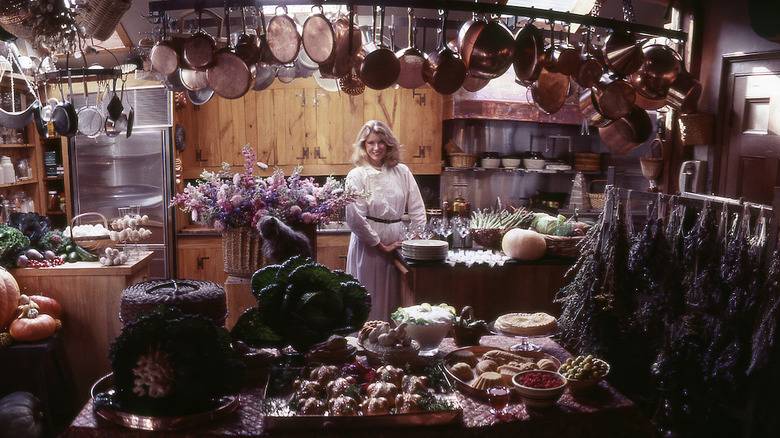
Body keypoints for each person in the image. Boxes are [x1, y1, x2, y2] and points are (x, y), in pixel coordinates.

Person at [345, 120, 427, 321]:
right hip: (369, 244)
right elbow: (354, 216)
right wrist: (380, 245)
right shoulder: (356, 175)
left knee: (396, 297)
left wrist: (414, 239)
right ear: (363, 146)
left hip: (398, 242)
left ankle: (394, 344)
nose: (376, 148)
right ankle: (366, 343)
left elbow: (417, 208)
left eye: (381, 142)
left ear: (389, 144)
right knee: (369, 296)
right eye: (370, 143)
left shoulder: (402, 172)